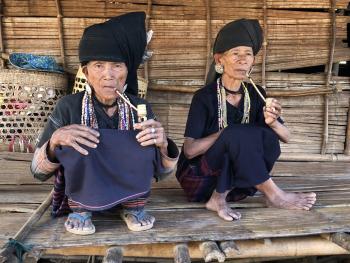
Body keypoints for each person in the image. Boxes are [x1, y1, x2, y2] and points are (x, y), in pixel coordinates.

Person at [30, 12, 179, 235]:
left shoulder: (141, 109)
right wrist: (55, 141)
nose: (108, 75)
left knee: (144, 139)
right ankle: (81, 210)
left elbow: (162, 173)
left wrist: (163, 145)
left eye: (117, 66)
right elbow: (37, 172)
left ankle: (133, 208)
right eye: (99, 65)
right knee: (76, 137)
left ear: (127, 72)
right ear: (86, 72)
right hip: (84, 196)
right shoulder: (69, 106)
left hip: (131, 194)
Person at [176, 18, 316, 221]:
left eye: (248, 54)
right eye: (235, 54)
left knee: (266, 133)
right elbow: (189, 151)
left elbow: (286, 137)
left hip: (240, 185)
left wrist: (274, 121)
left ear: (253, 61)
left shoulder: (257, 93)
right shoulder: (204, 97)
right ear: (219, 60)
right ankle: (274, 194)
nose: (243, 60)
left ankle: (223, 198)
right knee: (236, 133)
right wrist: (226, 134)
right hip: (201, 179)